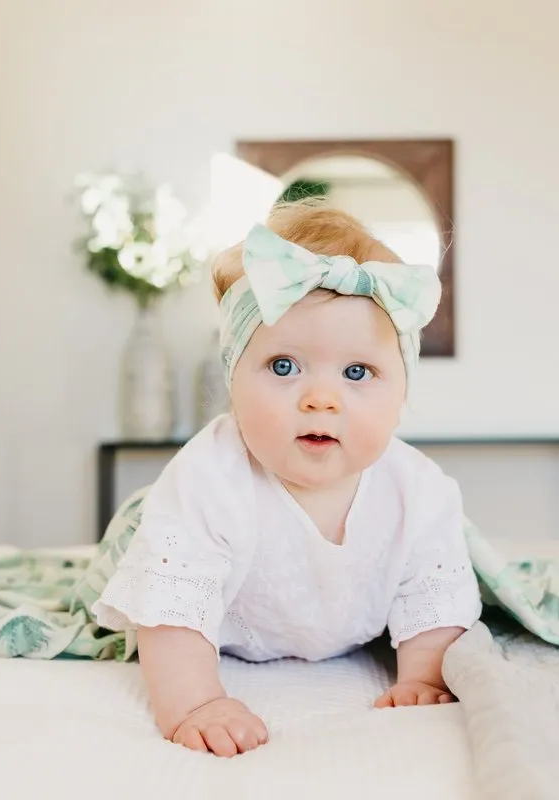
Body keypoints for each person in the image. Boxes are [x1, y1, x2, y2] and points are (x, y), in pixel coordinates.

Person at [92, 202, 482, 757]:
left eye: (357, 373)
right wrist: (197, 702)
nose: (320, 399)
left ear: (402, 391)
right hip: (208, 606)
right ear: (232, 378)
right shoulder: (209, 477)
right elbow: (170, 606)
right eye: (283, 367)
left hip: (337, 623)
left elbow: (435, 598)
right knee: (153, 563)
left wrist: (422, 677)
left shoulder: (417, 490)